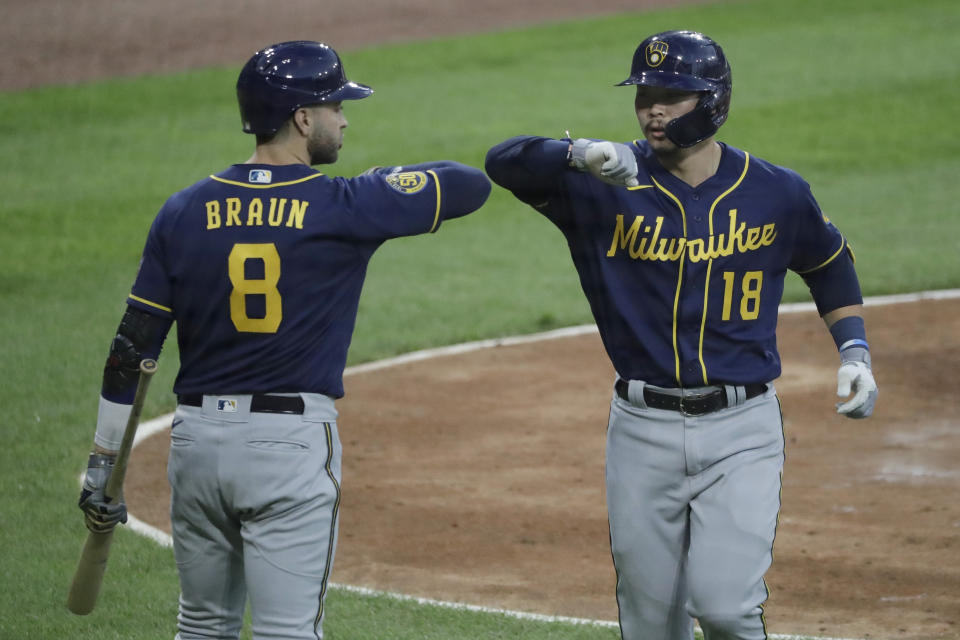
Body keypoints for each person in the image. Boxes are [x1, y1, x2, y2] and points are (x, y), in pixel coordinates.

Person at [76, 40, 490, 639]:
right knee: (288, 633)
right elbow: (469, 185)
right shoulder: (345, 204)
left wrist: (103, 462)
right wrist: (381, 185)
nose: (344, 119)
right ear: (303, 118)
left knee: (200, 627)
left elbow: (130, 349)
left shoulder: (183, 210)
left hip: (196, 446)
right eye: (336, 107)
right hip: (286, 450)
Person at [485, 30, 877, 640]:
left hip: (741, 429)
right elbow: (502, 162)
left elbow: (828, 263)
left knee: (725, 608)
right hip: (641, 430)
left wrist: (854, 349)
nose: (654, 110)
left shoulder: (776, 191)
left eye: (674, 95)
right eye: (645, 95)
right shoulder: (601, 182)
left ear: (714, 101)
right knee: (649, 624)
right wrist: (578, 153)